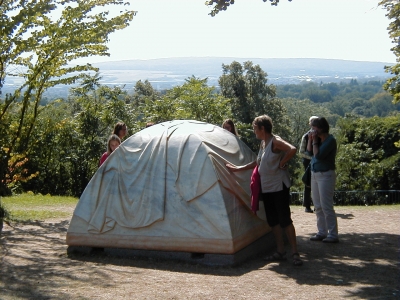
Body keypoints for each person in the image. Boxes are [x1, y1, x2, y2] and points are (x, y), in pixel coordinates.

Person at [226, 115, 303, 266]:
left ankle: (295, 253)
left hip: (278, 186)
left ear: (262, 128)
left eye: (255, 128)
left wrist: (282, 162)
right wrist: (238, 169)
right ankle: (280, 251)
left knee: (284, 219)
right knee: (273, 220)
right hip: (267, 187)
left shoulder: (275, 141)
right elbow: (258, 162)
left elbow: (292, 149)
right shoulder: (263, 143)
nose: (254, 131)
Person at [308, 117, 339, 243]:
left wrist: (315, 140)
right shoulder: (319, 140)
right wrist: (311, 140)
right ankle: (321, 232)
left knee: (326, 206)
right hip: (315, 174)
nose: (312, 130)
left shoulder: (330, 140)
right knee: (318, 205)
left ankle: (333, 234)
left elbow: (319, 155)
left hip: (326, 175)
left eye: (314, 127)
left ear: (320, 128)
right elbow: (309, 151)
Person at [299, 116, 319, 213]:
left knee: (318, 182)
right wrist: (312, 158)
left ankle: (317, 205)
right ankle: (307, 205)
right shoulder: (305, 136)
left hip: (317, 161)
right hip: (308, 161)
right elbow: (301, 152)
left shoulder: (321, 135)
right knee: (308, 183)